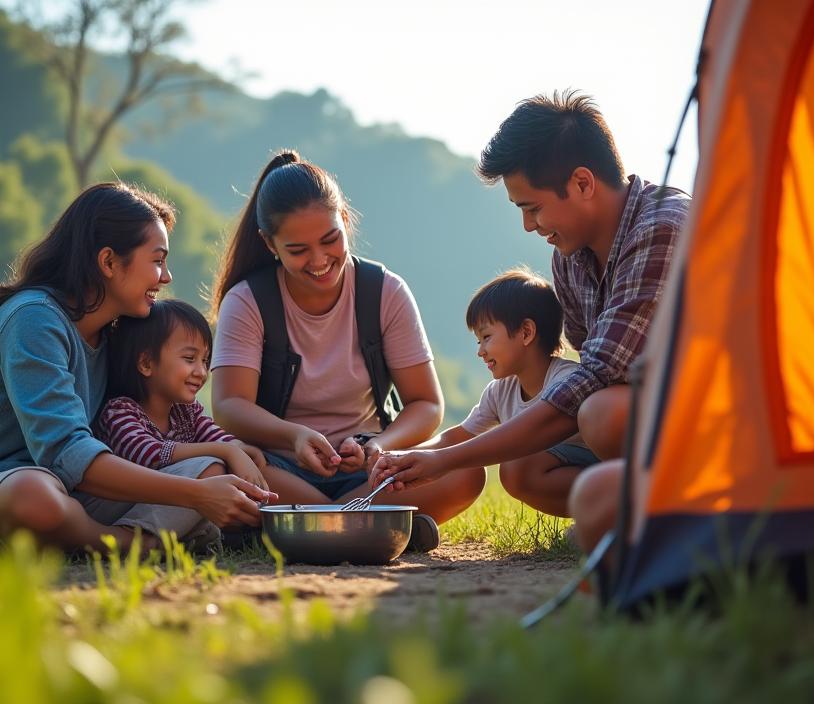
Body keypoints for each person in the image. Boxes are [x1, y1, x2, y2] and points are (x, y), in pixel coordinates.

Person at [370, 91, 690, 552]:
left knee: (601, 413)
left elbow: (592, 383)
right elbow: (592, 376)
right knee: (523, 469)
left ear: (582, 183)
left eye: (532, 208)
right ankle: (633, 513)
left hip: (715, 415)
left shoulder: (662, 229)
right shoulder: (570, 258)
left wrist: (443, 460)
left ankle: (678, 514)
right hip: (655, 421)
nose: (528, 226)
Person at [0, 183, 275, 556]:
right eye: (157, 261)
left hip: (75, 492)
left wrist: (227, 456)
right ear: (108, 262)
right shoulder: (35, 320)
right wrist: (196, 496)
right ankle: (134, 545)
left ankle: (90, 538)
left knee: (210, 471)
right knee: (36, 496)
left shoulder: (113, 334)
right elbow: (67, 452)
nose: (166, 277)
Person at [210, 150, 485, 550]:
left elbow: (426, 404)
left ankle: (302, 530)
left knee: (465, 469)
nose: (320, 260)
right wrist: (296, 438)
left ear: (346, 220)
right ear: (269, 244)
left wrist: (379, 447)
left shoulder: (385, 291)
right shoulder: (247, 300)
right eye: (298, 250)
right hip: (281, 469)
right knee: (220, 466)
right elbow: (230, 405)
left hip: (370, 469)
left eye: (330, 240)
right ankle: (374, 527)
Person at [411, 269, 599, 516]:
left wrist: (439, 460)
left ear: (526, 332)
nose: (480, 351)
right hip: (567, 471)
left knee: (517, 466)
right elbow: (457, 438)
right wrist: (405, 456)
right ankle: (592, 517)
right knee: (516, 469)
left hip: (600, 467)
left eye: (486, 337)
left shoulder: (566, 381)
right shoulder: (500, 391)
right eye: (479, 341)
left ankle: (609, 512)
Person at [97, 298, 272, 491]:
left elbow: (211, 434)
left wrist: (239, 448)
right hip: (123, 503)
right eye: (190, 359)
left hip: (166, 499)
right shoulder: (119, 412)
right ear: (146, 363)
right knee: (210, 470)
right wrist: (227, 451)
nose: (202, 372)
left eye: (205, 361)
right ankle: (130, 524)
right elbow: (149, 454)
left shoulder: (185, 411)